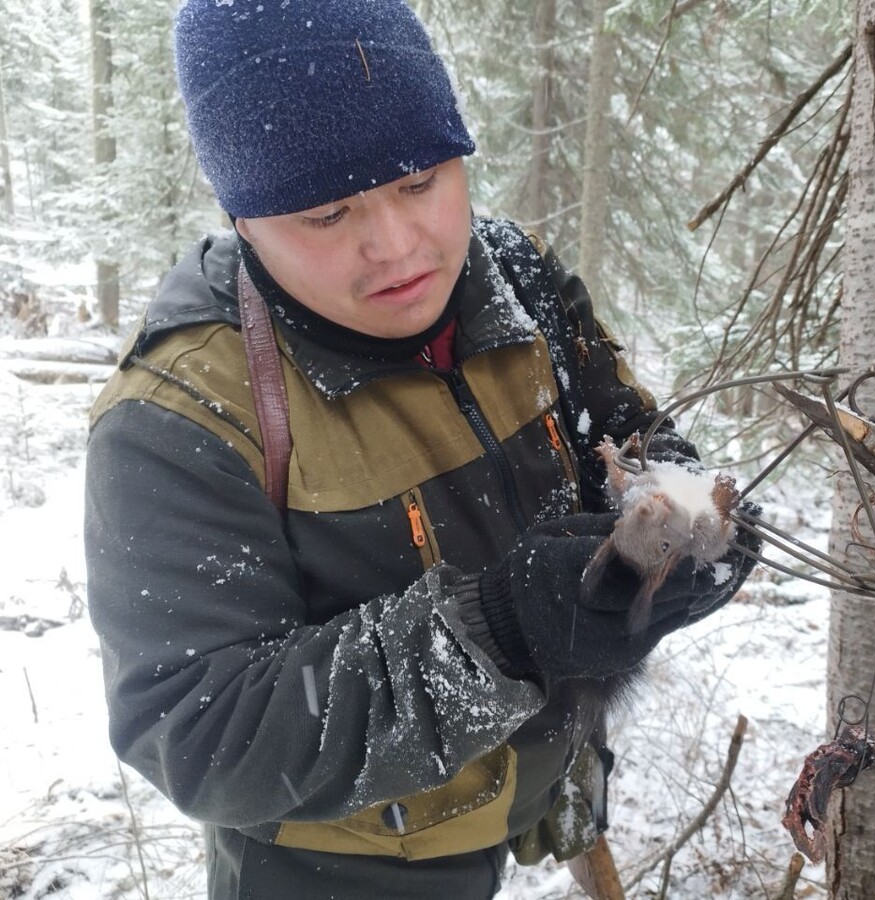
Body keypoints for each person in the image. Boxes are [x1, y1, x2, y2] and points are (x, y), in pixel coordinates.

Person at [84, 1, 757, 898]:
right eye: (327, 214)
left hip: (526, 797)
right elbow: (202, 731)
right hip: (338, 865)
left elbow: (622, 430)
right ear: (244, 219)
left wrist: (683, 520)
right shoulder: (182, 420)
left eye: (420, 181)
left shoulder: (512, 274)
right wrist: (498, 632)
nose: (397, 245)